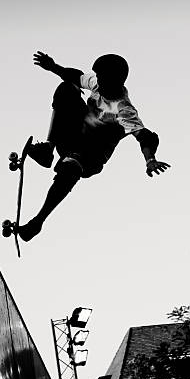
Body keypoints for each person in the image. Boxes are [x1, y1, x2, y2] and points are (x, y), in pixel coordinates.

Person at [18, 51, 170, 242]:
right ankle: (48, 148)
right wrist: (53, 66)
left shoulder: (124, 110)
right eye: (97, 77)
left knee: (71, 166)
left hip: (91, 156)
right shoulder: (97, 82)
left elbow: (145, 136)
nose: (97, 82)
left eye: (102, 79)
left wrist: (150, 159)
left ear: (115, 82)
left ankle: (37, 222)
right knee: (67, 88)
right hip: (72, 137)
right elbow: (74, 75)